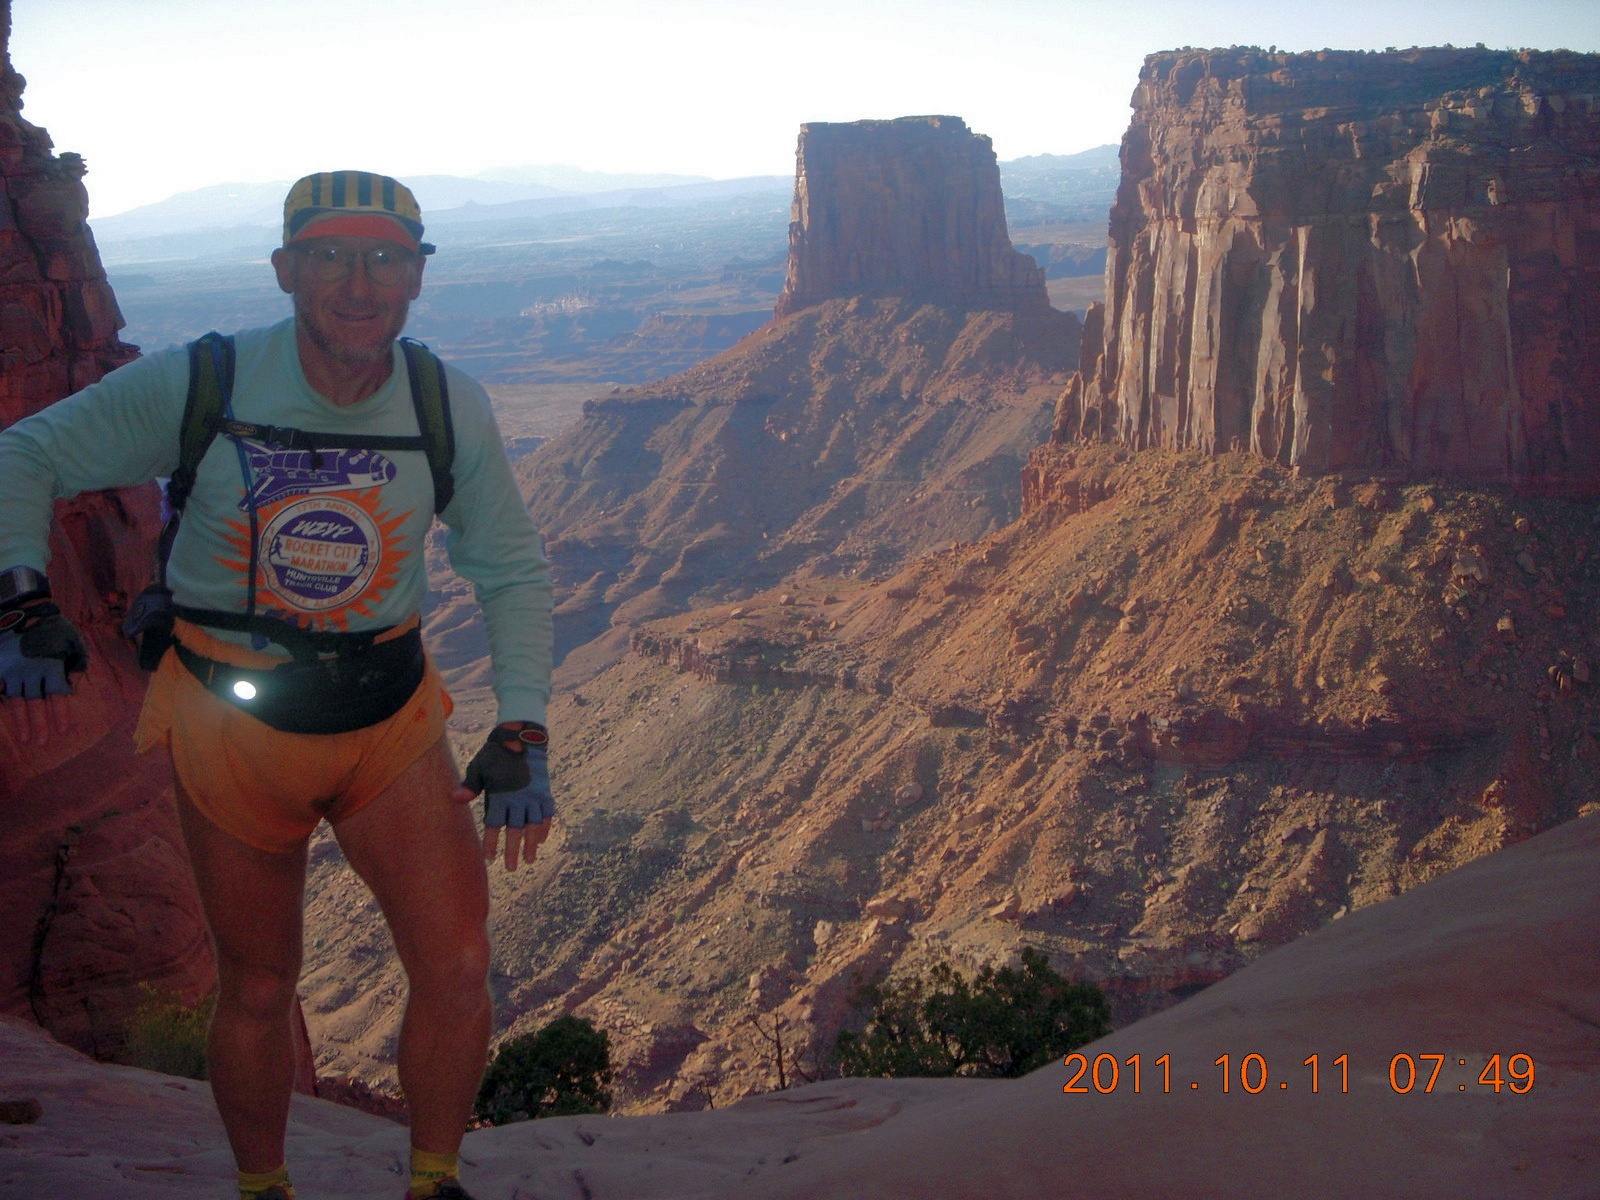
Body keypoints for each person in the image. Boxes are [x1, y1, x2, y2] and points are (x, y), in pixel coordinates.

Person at [0, 171, 555, 1200]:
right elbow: (22, 455)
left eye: (385, 258)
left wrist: (523, 724)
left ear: (418, 277)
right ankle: (264, 1190)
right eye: (331, 256)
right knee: (257, 987)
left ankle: (434, 1183)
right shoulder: (205, 383)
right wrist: (23, 602)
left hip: (388, 719)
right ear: (284, 269)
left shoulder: (444, 404)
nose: (359, 283)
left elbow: (511, 569)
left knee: (456, 966)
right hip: (232, 725)